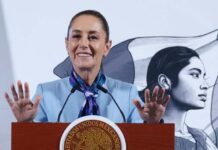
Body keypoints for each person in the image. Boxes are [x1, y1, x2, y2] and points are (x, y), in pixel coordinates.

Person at [4, 10, 170, 123]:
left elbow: (145, 142)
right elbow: (33, 143)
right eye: (76, 36)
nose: (83, 44)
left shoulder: (127, 95)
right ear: (67, 44)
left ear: (106, 46)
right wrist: (25, 125)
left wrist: (152, 124)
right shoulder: (45, 94)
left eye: (93, 37)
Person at [141, 46, 217, 149]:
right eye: (195, 75)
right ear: (165, 82)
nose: (205, 85)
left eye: (203, 76)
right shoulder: (140, 134)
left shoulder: (201, 139)